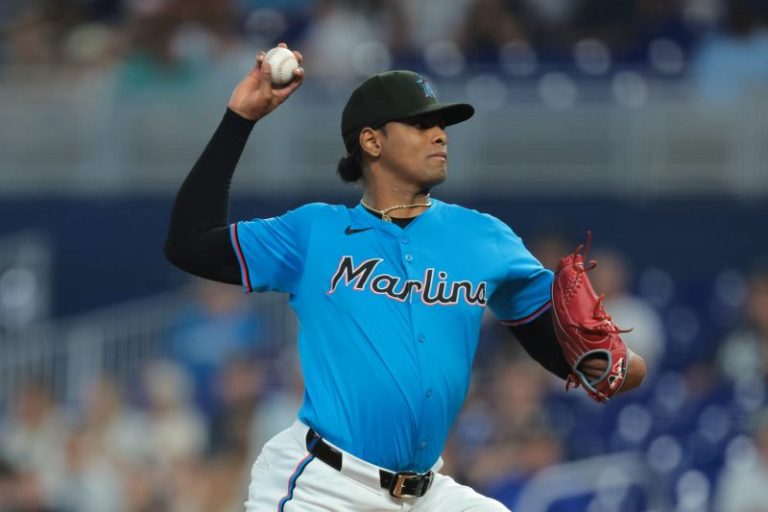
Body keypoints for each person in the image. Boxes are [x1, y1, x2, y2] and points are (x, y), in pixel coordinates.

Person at [164, 43, 646, 511]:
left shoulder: (484, 237)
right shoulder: (314, 233)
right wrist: (240, 119)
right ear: (371, 141)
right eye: (420, 124)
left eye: (441, 125)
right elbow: (190, 243)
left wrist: (612, 365)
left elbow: (570, 352)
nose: (439, 135)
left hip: (426, 493)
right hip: (323, 486)